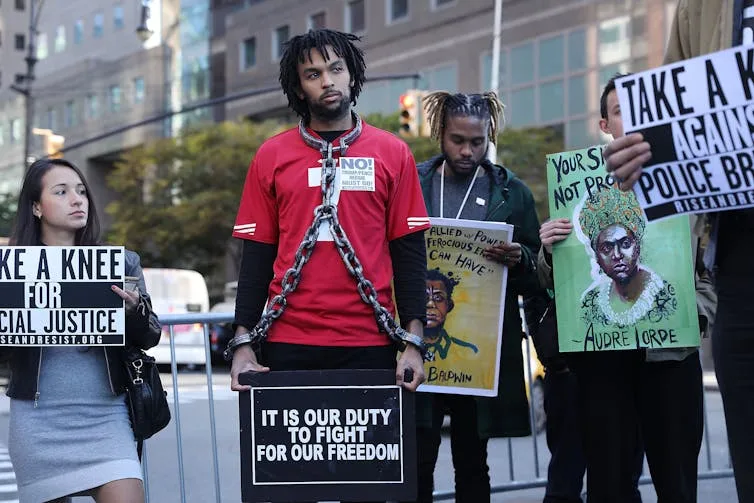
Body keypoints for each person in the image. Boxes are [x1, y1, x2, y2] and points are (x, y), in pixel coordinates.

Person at [537, 75, 715, 503]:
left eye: (640, 110)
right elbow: (555, 283)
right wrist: (548, 250)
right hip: (603, 365)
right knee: (610, 485)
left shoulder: (687, 183)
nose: (631, 119)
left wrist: (700, 313)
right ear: (604, 123)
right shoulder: (575, 186)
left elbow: (710, 266)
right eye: (620, 111)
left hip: (671, 360)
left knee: (677, 484)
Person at [226, 29, 429, 397]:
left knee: (369, 456)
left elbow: (409, 253)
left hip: (370, 341)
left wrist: (414, 343)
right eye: (313, 74)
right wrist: (242, 344)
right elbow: (255, 257)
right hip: (287, 341)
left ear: (352, 74)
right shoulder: (271, 156)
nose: (328, 81)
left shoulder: (393, 153)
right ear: (299, 88)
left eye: (336, 69)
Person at [603, 3, 753, 500]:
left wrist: (698, 316)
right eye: (618, 112)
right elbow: (675, 121)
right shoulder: (699, 7)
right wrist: (647, 154)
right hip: (737, 258)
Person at [4, 158, 161, 503]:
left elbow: (150, 336)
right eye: (61, 192)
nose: (77, 200)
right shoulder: (11, 267)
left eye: (81, 191)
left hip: (107, 418)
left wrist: (134, 310)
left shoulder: (120, 263)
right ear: (36, 207)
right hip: (38, 422)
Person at [410, 91, 541, 503]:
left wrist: (520, 260)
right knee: (417, 460)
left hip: (479, 353)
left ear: (490, 136)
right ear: (439, 134)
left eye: (477, 142)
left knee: (472, 461)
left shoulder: (511, 193)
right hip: (418, 345)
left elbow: (539, 272)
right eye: (457, 140)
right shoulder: (413, 183)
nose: (467, 151)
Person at [577, 186, 677, 327]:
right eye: (606, 248)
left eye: (625, 243)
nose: (617, 255)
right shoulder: (591, 302)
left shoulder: (666, 296)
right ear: (597, 256)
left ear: (637, 247)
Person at [424, 268, 478, 360]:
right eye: (424, 297)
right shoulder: (397, 348)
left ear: (449, 306)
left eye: (438, 298)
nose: (430, 304)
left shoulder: (466, 353)